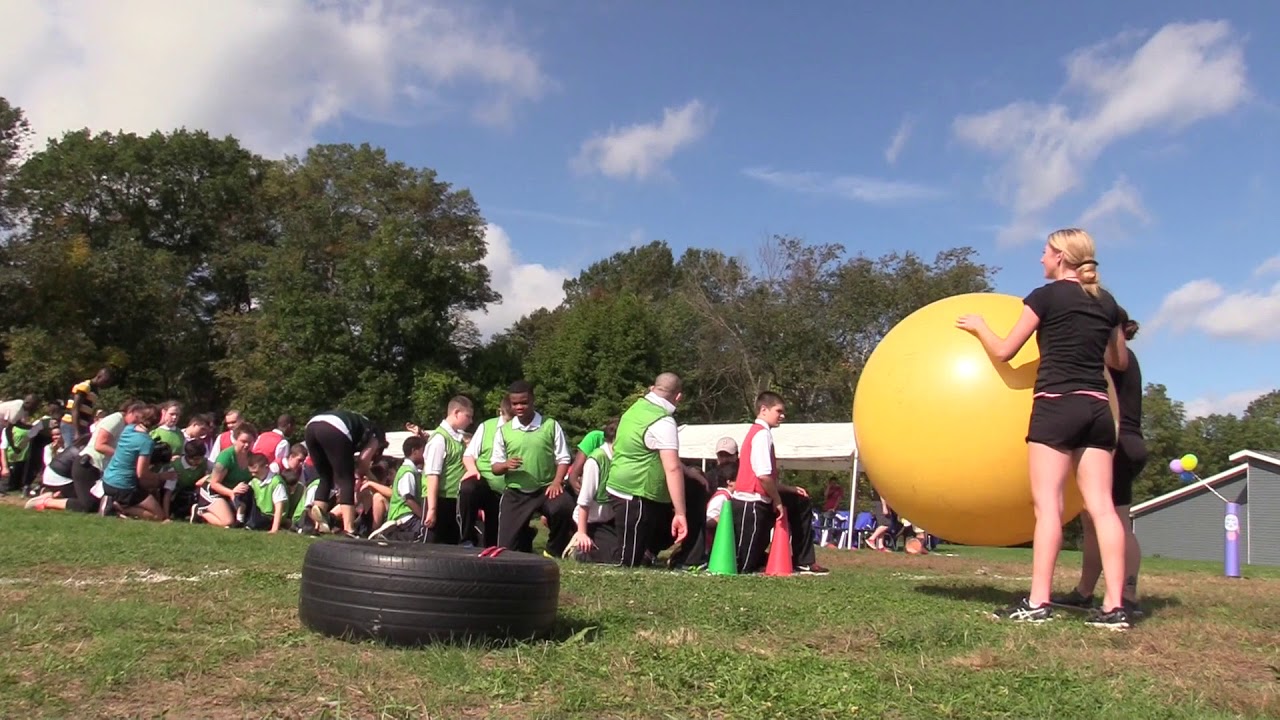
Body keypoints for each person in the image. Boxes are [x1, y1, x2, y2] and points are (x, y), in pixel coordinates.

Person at [957, 227, 1131, 629]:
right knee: (1103, 508)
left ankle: (1039, 603)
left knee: (1048, 508)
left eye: (1045, 252)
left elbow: (1005, 351)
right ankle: (1115, 608)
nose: (1040, 259)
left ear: (1061, 257)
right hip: (1099, 409)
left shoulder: (1045, 297)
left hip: (1056, 406)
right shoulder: (1107, 303)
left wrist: (980, 325)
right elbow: (1118, 362)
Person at [1052, 309, 1148, 617]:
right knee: (1092, 524)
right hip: (1114, 443)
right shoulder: (1115, 356)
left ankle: (1127, 594)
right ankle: (1084, 591)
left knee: (1115, 521)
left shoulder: (1117, 358)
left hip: (1119, 444)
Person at [728, 392, 829, 575]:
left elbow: (767, 478)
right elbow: (763, 476)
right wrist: (778, 501)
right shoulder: (761, 435)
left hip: (760, 496)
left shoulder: (761, 433)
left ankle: (804, 561)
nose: (782, 416)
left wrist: (789, 490)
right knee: (744, 563)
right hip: (751, 501)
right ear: (764, 410)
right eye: (779, 411)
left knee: (800, 501)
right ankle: (794, 561)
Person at [604, 373, 689, 568]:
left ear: (652, 388)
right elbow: (672, 467)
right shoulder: (663, 422)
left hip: (619, 485)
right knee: (628, 559)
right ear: (678, 397)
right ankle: (584, 554)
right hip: (636, 493)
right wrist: (680, 513)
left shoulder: (634, 409)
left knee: (633, 550)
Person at [489, 381, 575, 556]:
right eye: (515, 404)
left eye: (524, 402)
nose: (519, 407)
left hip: (546, 488)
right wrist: (506, 465)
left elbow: (564, 457)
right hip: (516, 492)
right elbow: (495, 467)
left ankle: (553, 550)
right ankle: (525, 537)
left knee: (564, 506)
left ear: (533, 400)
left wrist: (557, 481)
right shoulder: (504, 431)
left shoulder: (550, 425)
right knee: (506, 550)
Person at [304, 410, 386, 537]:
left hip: (311, 426)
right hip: (335, 428)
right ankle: (349, 529)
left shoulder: (361, 423)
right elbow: (363, 461)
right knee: (347, 480)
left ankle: (318, 525)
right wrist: (367, 473)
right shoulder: (377, 435)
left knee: (325, 477)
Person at [99, 404, 171, 520]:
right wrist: (162, 476)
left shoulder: (129, 429)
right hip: (124, 486)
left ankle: (115, 503)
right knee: (158, 516)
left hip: (107, 480)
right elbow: (141, 473)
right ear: (157, 421)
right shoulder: (146, 442)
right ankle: (116, 507)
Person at [423, 397, 478, 544]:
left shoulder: (457, 439)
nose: (470, 421)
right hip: (439, 500)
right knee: (433, 545)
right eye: (468, 416)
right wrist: (432, 509)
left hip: (453, 499)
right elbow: (432, 475)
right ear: (456, 412)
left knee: (450, 544)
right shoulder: (439, 439)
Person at [459, 398, 513, 547]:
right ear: (501, 412)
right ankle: (466, 538)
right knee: (468, 488)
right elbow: (469, 455)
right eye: (508, 417)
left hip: (506, 489)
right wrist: (472, 469)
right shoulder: (486, 427)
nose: (510, 422)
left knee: (493, 539)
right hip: (484, 481)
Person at [569, 419, 618, 563]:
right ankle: (577, 547)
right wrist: (582, 533)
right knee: (616, 557)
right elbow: (584, 501)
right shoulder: (596, 460)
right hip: (589, 522)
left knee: (631, 554)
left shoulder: (622, 459)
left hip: (608, 521)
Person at [61, 367, 114, 447]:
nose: (106, 384)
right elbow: (75, 408)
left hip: (81, 426)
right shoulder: (85, 386)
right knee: (70, 453)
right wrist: (77, 432)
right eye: (105, 381)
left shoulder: (94, 391)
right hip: (71, 424)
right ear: (99, 376)